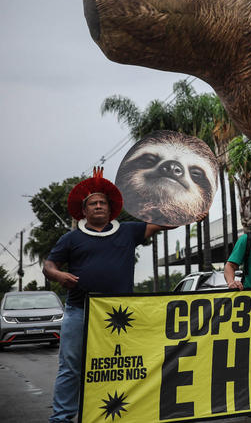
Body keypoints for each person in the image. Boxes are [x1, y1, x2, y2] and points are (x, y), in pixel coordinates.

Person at [43, 168, 170, 423]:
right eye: (93, 203)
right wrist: (58, 276)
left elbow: (163, 223)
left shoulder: (129, 231)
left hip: (121, 317)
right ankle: (62, 418)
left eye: (103, 202)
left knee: (121, 367)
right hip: (80, 312)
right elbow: (49, 265)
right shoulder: (71, 238)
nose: (99, 206)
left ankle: (118, 414)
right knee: (71, 367)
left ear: (111, 209)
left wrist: (191, 214)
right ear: (84, 210)